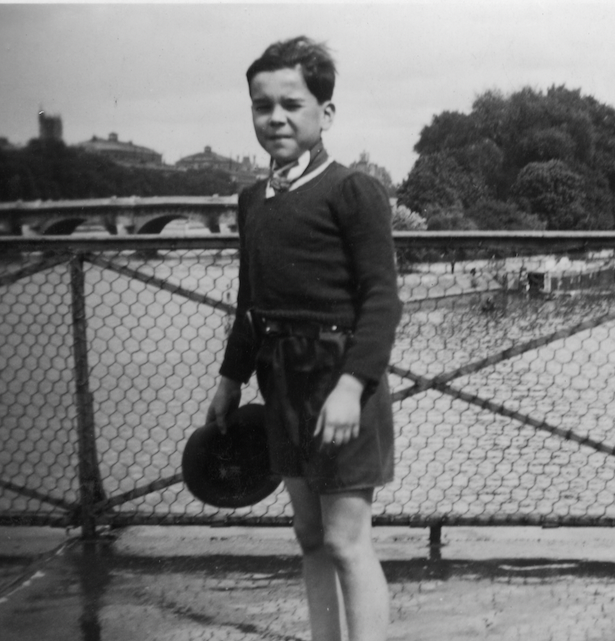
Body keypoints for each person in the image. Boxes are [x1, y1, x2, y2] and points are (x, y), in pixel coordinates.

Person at [204, 35, 402, 641]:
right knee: (309, 536)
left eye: (292, 104)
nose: (276, 118)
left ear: (326, 113)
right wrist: (230, 378)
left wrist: (350, 386)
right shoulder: (251, 201)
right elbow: (249, 302)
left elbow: (383, 302)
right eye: (263, 106)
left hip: (341, 376)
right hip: (279, 375)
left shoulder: (352, 191)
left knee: (345, 540)